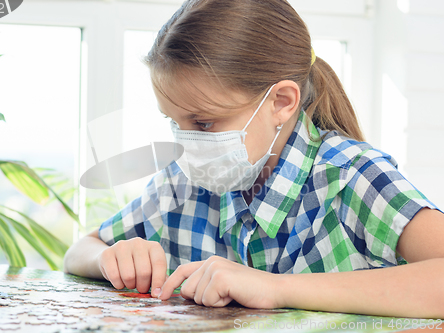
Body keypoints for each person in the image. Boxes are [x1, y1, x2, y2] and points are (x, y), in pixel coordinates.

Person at [64, 0, 444, 318]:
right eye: (174, 122)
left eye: (204, 122)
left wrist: (276, 288)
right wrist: (111, 258)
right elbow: (80, 250)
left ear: (281, 103)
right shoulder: (180, 182)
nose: (186, 141)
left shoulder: (352, 176)